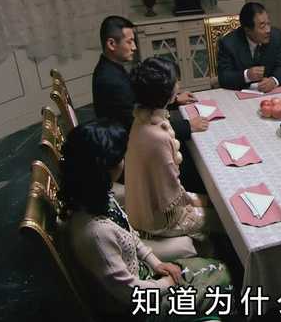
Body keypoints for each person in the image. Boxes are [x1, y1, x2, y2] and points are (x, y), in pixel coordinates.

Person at [60, 119, 232, 319]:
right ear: (104, 170)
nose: (123, 161)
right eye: (120, 158)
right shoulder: (97, 234)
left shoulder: (97, 196)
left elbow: (129, 234)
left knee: (216, 268)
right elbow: (130, 294)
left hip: (145, 275)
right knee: (224, 279)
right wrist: (165, 283)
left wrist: (155, 262)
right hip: (141, 306)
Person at [125, 57, 222, 240]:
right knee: (223, 216)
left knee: (213, 199)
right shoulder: (157, 137)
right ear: (166, 92)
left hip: (143, 203)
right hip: (160, 219)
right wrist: (200, 202)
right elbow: (171, 195)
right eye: (176, 82)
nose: (179, 85)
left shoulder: (142, 117)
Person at [92, 15, 206, 140]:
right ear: (111, 44)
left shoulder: (111, 68)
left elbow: (142, 100)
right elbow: (139, 126)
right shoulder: (110, 81)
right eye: (129, 42)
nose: (134, 47)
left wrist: (174, 99)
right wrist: (188, 126)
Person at [217, 2, 281, 91]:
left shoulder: (275, 36)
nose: (268, 30)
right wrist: (247, 75)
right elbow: (224, 77)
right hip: (240, 92)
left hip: (269, 92)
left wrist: (273, 81)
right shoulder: (228, 43)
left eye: (268, 23)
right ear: (248, 30)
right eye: (262, 26)